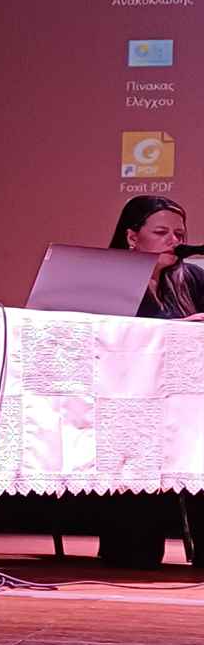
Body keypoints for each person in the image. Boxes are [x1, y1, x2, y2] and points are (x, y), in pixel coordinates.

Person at [99, 195, 204, 568]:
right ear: (132, 237)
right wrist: (176, 330)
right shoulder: (107, 281)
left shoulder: (192, 278)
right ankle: (131, 550)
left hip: (185, 405)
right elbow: (107, 338)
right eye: (161, 232)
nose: (173, 240)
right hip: (127, 407)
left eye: (179, 233)